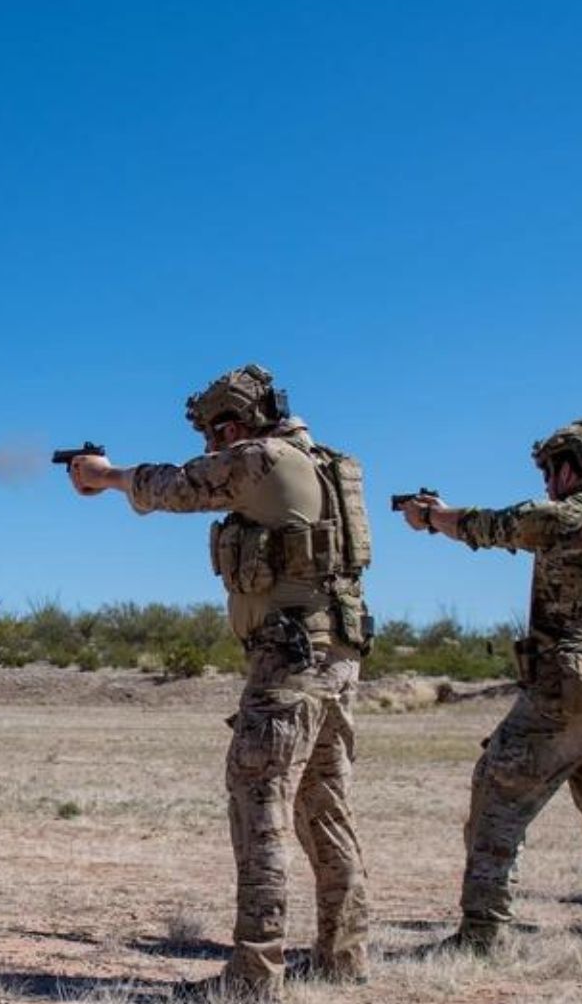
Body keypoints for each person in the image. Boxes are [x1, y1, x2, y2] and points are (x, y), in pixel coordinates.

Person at [66, 364, 373, 999]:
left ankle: (255, 973)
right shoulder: (327, 463)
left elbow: (174, 487)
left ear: (231, 424)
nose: (212, 447)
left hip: (288, 661)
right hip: (334, 658)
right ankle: (343, 956)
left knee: (259, 804)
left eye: (214, 434)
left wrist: (107, 476)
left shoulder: (260, 459)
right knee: (324, 809)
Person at [398, 419, 582, 951]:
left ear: (569, 467)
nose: (548, 480)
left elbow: (488, 527)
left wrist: (432, 518)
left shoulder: (562, 516)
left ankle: (481, 936)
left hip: (561, 694)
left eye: (550, 468)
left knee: (496, 803)